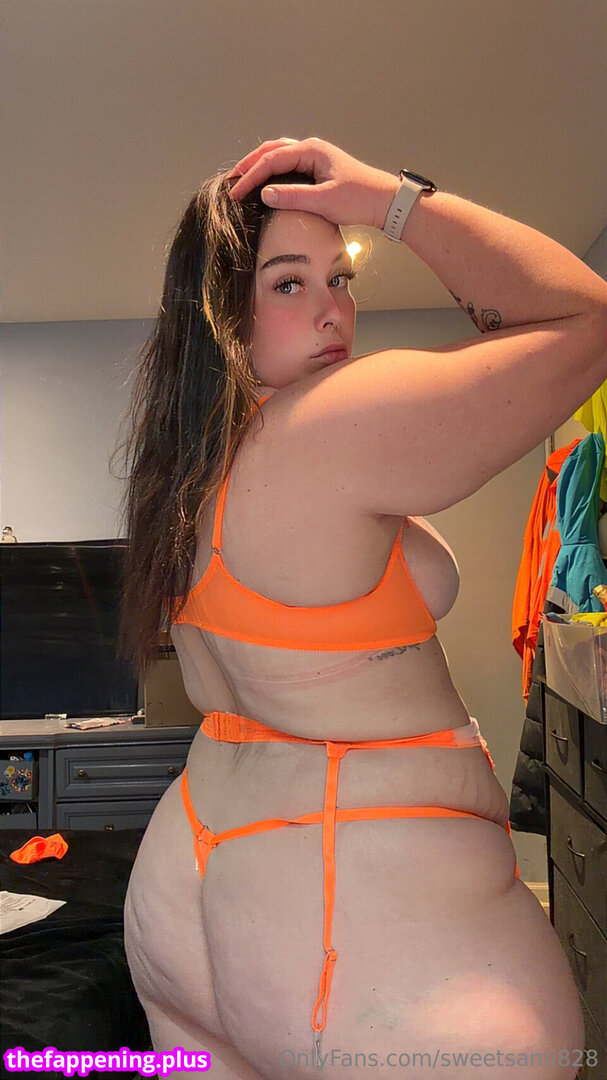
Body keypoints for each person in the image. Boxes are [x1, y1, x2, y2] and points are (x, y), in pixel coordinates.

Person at [121, 137, 606, 1080]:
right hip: (352, 934)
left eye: (338, 279)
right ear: (221, 311)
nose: (333, 308)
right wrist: (390, 198)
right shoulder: (333, 422)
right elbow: (582, 317)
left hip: (194, 888)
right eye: (288, 283)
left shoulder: (187, 470)